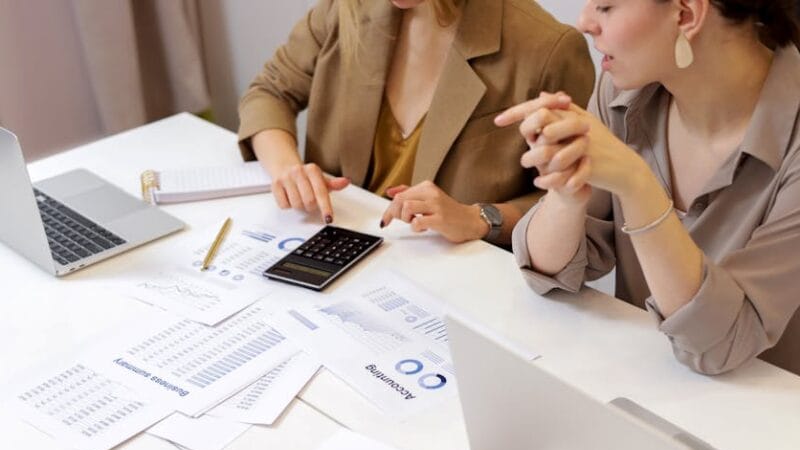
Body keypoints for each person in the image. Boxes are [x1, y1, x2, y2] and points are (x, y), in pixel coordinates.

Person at [496, 0, 800, 375]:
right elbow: (546, 273)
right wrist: (566, 192)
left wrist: (637, 185)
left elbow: (720, 344)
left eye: (606, 6)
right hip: (643, 389)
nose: (584, 22)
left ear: (686, 13)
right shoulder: (625, 94)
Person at [237, 0, 595, 245]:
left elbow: (576, 201)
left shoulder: (547, 48)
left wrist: (479, 218)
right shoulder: (345, 9)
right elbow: (269, 92)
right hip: (333, 250)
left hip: (457, 289)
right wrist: (288, 169)